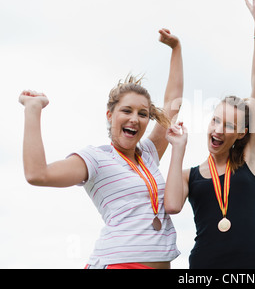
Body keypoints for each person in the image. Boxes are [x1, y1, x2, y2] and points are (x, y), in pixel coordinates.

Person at [19, 29, 184, 269]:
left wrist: (176, 49)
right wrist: (33, 110)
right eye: (126, 111)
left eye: (143, 114)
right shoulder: (96, 159)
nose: (135, 119)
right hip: (118, 264)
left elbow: (172, 105)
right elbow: (37, 174)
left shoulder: (148, 154)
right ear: (110, 115)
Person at [163, 0, 255, 269]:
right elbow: (172, 206)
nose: (217, 129)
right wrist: (177, 150)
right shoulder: (188, 175)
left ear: (241, 134)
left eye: (227, 125)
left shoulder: (250, 161)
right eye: (215, 120)